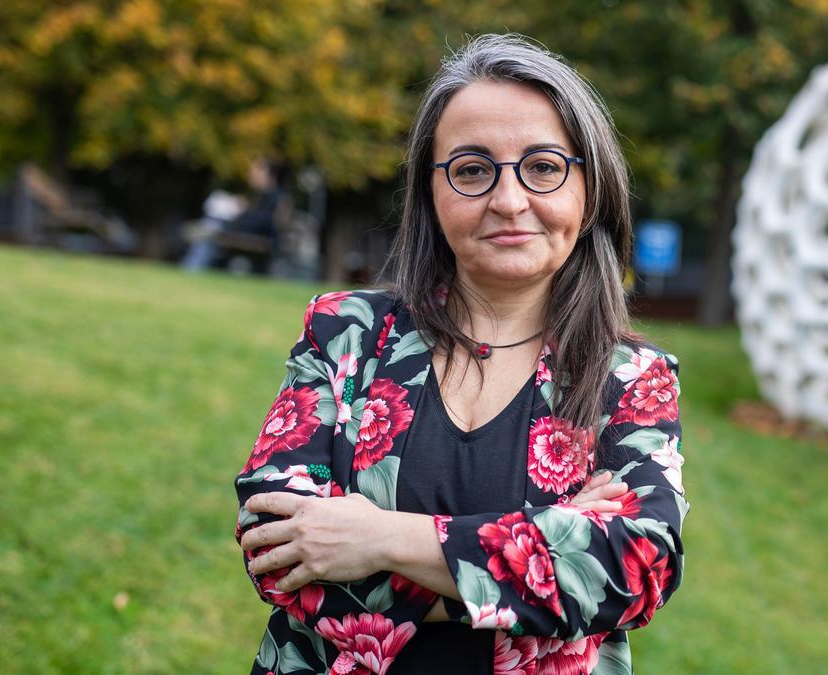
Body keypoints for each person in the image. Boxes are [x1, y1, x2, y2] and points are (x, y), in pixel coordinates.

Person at [234, 34, 686, 675]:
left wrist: (380, 539)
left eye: (544, 166)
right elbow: (274, 552)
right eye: (473, 169)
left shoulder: (631, 379)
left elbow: (634, 570)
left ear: (590, 188)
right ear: (431, 191)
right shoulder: (347, 335)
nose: (508, 200)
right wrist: (546, 547)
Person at [181, 158, 286, 272]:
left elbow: (265, 222)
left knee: (211, 230)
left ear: (268, 174)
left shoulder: (275, 197)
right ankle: (192, 265)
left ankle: (191, 268)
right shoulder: (260, 195)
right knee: (211, 229)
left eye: (256, 172)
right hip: (244, 231)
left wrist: (241, 213)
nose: (251, 175)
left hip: (256, 236)